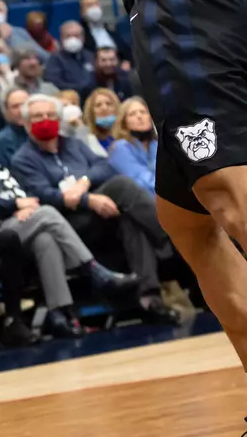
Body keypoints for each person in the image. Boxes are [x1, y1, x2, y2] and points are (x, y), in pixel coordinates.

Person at [0, 118, 137, 337]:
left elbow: (21, 193)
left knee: (46, 239)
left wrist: (22, 205)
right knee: (47, 213)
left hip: (22, 222)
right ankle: (93, 270)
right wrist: (13, 206)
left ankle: (61, 314)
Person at [10, 94, 178, 326]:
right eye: (38, 116)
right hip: (68, 224)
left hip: (101, 212)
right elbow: (44, 196)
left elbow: (104, 165)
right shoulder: (23, 159)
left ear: (59, 118)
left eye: (50, 115)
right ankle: (174, 233)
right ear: (27, 123)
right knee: (122, 185)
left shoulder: (74, 145)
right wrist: (89, 200)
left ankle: (149, 299)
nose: (46, 119)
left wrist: (85, 183)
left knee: (131, 220)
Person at [109, 97, 158, 194]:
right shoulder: (120, 148)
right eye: (132, 114)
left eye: (143, 112)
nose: (139, 116)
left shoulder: (156, 144)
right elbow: (142, 182)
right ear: (124, 122)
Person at [44, 22, 96, 96]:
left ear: (83, 38)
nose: (73, 39)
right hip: (69, 98)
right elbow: (54, 83)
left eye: (77, 36)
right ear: (61, 38)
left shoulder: (90, 56)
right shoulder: (55, 59)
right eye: (68, 36)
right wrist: (80, 89)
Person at [0, 87, 30, 168]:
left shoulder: (44, 130)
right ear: (6, 111)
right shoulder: (2, 140)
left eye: (25, 104)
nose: (21, 110)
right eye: (15, 106)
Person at [82, 87, 123, 156]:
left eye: (109, 104)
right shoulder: (87, 141)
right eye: (98, 105)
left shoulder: (128, 136)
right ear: (91, 113)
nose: (104, 108)